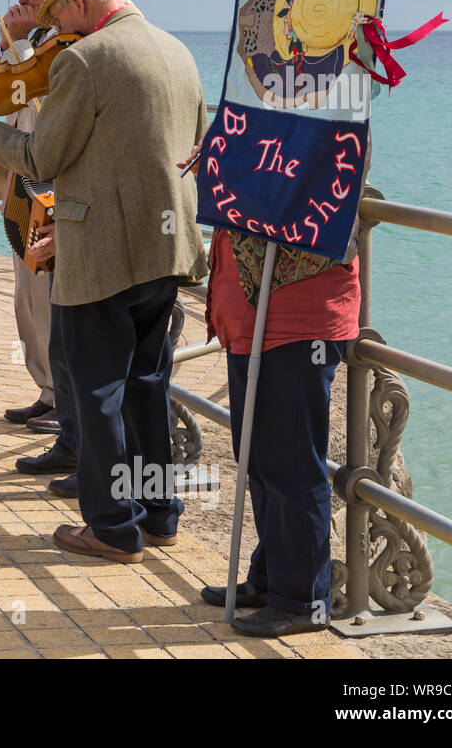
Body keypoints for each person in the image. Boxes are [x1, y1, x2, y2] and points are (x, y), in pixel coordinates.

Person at [0, 0, 208, 563]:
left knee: (98, 394)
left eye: (58, 13)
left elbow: (39, 159)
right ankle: (160, 515)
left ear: (80, 2)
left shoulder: (85, 61)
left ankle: (112, 528)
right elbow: (188, 148)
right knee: (147, 388)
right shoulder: (177, 50)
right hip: (166, 248)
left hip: (101, 256)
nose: (54, 26)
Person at [193, 214, 360, 635]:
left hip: (296, 321)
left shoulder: (329, 144)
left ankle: (303, 599)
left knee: (292, 466)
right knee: (258, 461)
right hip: (253, 319)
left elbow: (323, 206)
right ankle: (271, 578)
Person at [0, 0, 64, 432]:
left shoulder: (65, 43)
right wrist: (11, 38)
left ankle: (63, 399)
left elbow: (25, 88)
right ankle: (48, 389)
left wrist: (18, 38)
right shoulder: (33, 39)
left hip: (48, 184)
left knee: (48, 295)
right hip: (21, 184)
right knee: (26, 295)